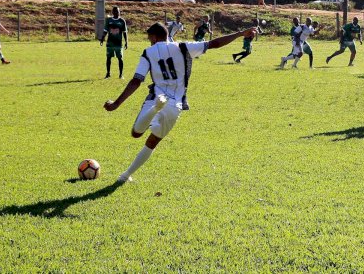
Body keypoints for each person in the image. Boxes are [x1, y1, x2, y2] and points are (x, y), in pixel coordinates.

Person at [103, 22, 258, 183]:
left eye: (150, 39)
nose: (150, 42)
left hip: (156, 97)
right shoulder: (183, 47)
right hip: (175, 105)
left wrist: (116, 103)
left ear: (154, 38)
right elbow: (214, 43)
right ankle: (125, 175)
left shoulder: (148, 52)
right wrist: (240, 33)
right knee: (153, 141)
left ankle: (155, 108)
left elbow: (137, 80)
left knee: (136, 133)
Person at [100, 6, 128, 79]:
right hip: (110, 43)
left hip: (118, 43)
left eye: (118, 11)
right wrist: (102, 39)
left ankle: (121, 74)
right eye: (115, 11)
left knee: (120, 58)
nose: (117, 13)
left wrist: (126, 42)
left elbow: (125, 32)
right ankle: (108, 74)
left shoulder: (122, 21)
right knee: (108, 58)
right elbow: (105, 30)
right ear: (112, 12)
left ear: (119, 12)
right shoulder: (108, 20)